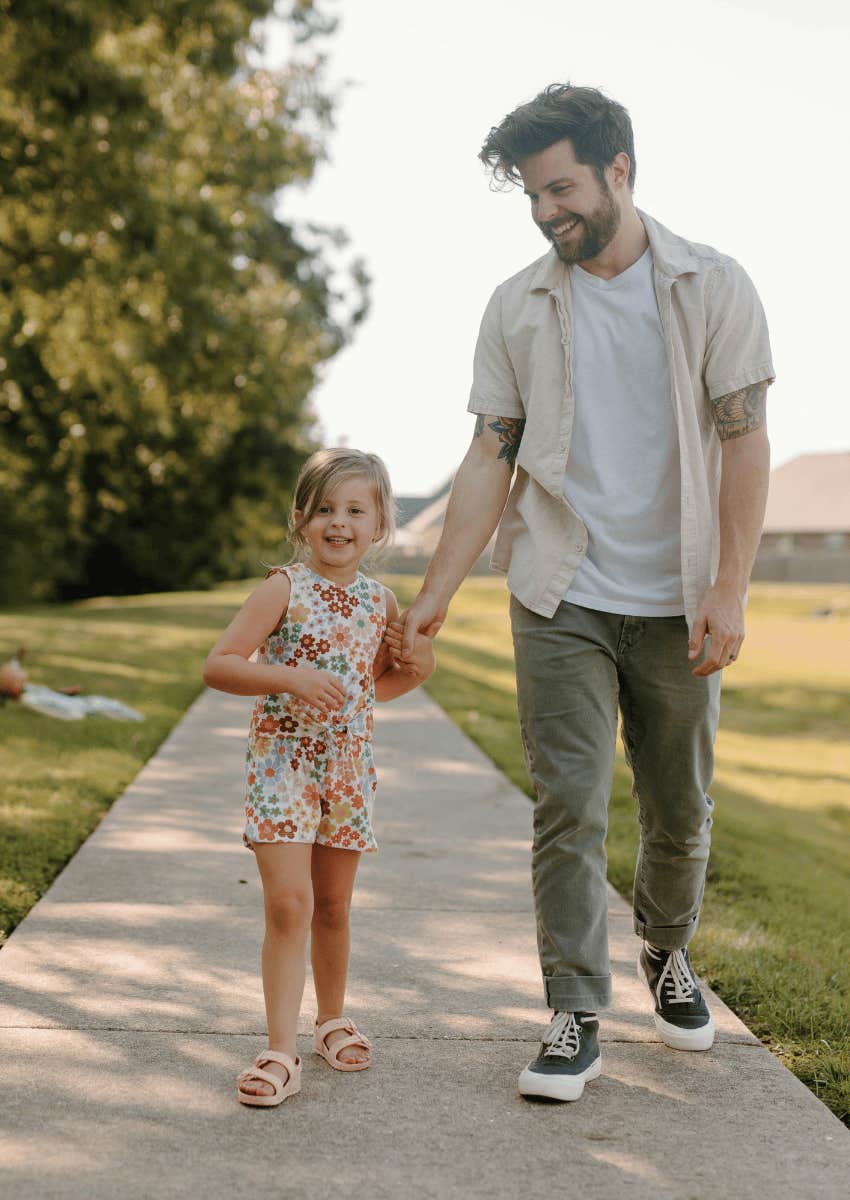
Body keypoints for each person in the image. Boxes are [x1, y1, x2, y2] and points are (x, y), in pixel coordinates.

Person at [399, 83, 773, 1102]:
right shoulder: (516, 304)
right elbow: (489, 456)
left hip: (679, 596)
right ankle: (573, 1011)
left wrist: (729, 590)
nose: (544, 210)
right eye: (530, 194)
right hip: (558, 591)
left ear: (619, 170)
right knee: (568, 806)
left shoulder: (715, 285)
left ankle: (666, 950)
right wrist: (435, 594)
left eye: (559, 187)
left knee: (679, 810)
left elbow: (744, 445)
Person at [204, 448, 435, 1107]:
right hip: (283, 765)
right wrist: (288, 676)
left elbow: (377, 688)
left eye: (356, 510)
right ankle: (280, 1050)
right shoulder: (283, 587)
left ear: (381, 525)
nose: (340, 523)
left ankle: (331, 1019)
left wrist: (419, 663)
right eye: (326, 509)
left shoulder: (380, 600)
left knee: (333, 907)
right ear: (300, 520)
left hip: (348, 770)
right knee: (288, 906)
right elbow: (219, 665)